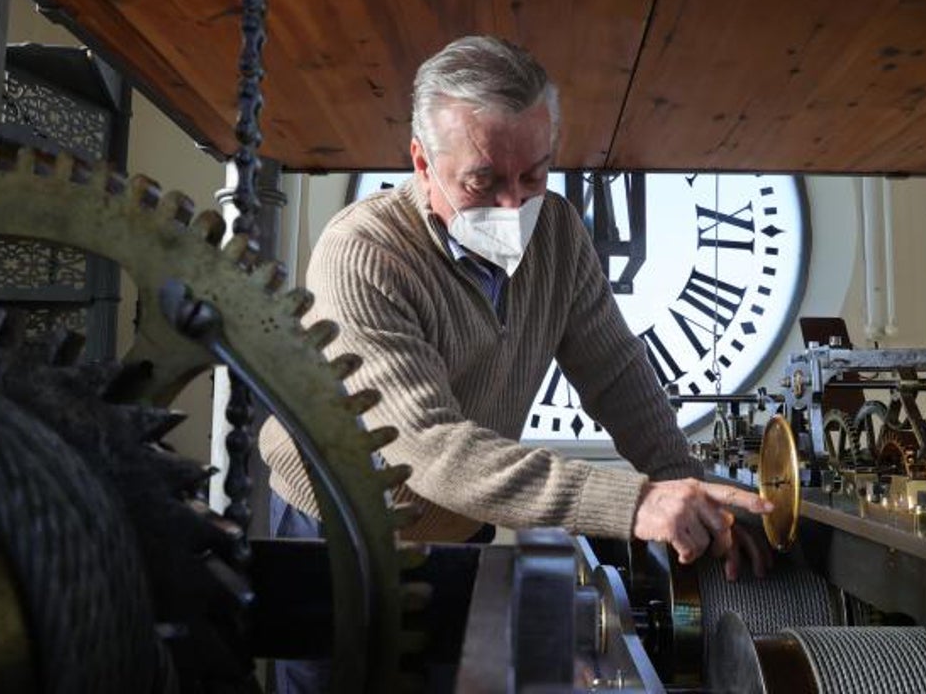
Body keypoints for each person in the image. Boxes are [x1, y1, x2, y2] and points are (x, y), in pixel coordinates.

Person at [257, 36, 772, 688]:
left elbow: (615, 369)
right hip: (337, 533)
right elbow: (431, 451)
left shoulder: (556, 229)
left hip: (457, 526)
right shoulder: (362, 253)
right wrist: (635, 502)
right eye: (483, 180)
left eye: (534, 175)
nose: (514, 207)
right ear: (421, 162)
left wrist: (688, 492)